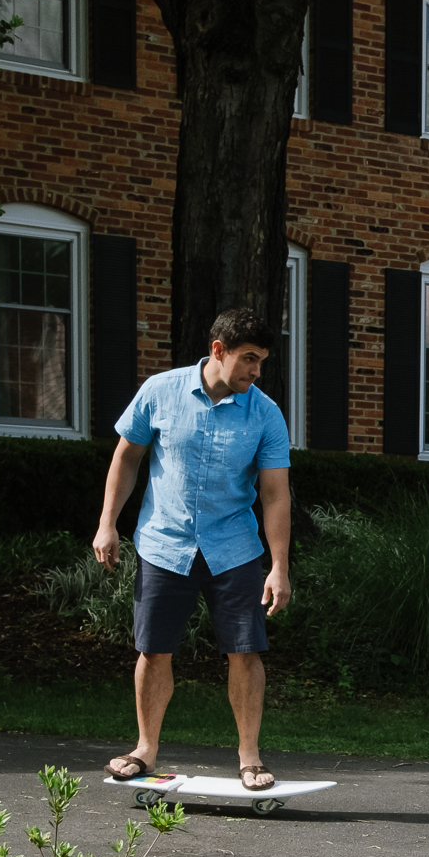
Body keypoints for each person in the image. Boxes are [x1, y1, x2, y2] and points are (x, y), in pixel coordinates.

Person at [92, 307, 293, 791]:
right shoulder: (160, 392)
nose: (256, 371)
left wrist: (279, 566)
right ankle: (144, 749)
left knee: (245, 652)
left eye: (262, 361)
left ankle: (249, 758)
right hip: (164, 543)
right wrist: (107, 524)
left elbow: (275, 494)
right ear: (218, 351)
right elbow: (127, 458)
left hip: (235, 549)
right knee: (154, 649)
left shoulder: (265, 413)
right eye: (248, 359)